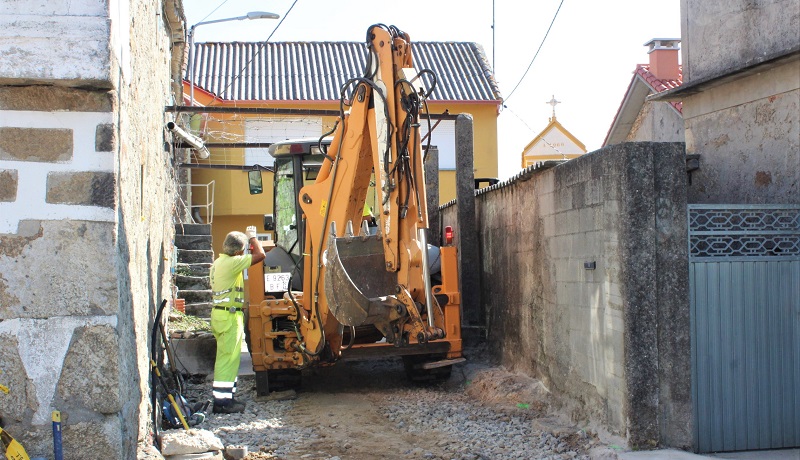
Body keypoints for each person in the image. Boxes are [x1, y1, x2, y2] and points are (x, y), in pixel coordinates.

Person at [209, 226, 265, 414]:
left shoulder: (218, 262)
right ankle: (222, 403)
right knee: (227, 360)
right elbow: (260, 255)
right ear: (239, 251)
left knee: (229, 359)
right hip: (229, 316)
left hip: (220, 314)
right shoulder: (232, 263)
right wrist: (253, 237)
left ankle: (227, 397)